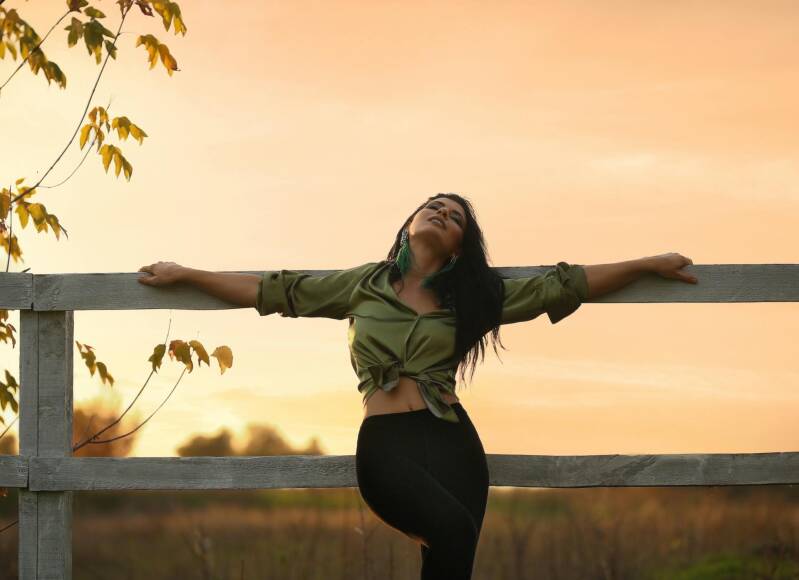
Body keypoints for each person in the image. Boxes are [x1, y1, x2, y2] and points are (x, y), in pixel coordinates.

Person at [137, 192, 697, 579]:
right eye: (432, 206)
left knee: (451, 565)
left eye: (453, 216)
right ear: (409, 226)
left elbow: (563, 286)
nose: (439, 212)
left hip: (453, 442)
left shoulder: (474, 299)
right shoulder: (364, 285)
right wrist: (188, 273)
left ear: (458, 247)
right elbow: (274, 290)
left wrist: (649, 262)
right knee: (450, 532)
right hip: (388, 447)